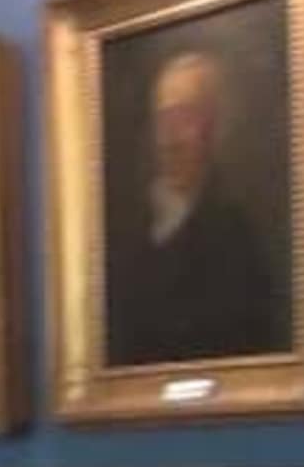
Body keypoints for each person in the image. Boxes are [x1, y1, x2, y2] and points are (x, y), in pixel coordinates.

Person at [106, 50, 280, 366]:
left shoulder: (236, 237)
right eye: (164, 118)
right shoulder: (124, 227)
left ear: (215, 128)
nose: (170, 138)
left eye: (186, 117)